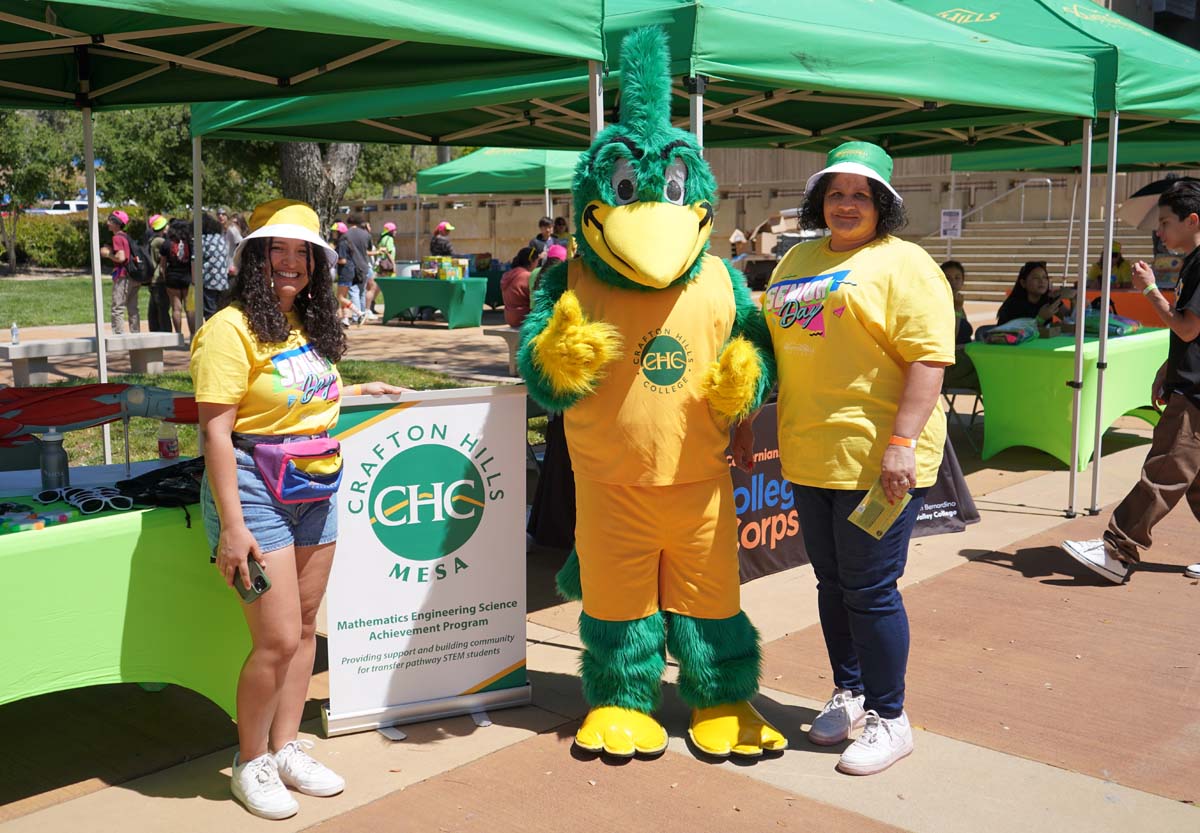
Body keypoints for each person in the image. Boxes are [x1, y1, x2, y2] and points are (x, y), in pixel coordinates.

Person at [734, 141, 954, 775]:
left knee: (871, 589)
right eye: (836, 193)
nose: (847, 204)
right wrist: (746, 421)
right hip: (810, 452)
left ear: (883, 203)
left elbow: (928, 359)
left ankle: (892, 717)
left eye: (861, 194)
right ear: (819, 201)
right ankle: (851, 692)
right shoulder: (797, 260)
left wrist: (902, 442)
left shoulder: (906, 265)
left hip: (879, 460)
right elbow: (770, 348)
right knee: (832, 582)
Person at [190, 198, 405, 820]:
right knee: (277, 639)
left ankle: (285, 746)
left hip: (315, 484)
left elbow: (305, 394)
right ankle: (249, 759)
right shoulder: (228, 330)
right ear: (255, 258)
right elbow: (216, 435)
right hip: (254, 489)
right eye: (276, 250)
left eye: (301, 253)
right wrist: (232, 527)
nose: (290, 264)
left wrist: (361, 389)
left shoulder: (309, 323)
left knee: (309, 627)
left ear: (316, 264)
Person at [1062, 180, 1200, 583]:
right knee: (1192, 482)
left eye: (1165, 222)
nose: (1160, 231)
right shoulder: (1193, 260)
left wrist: (1151, 290)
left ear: (1193, 220)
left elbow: (1188, 328)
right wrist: (1167, 368)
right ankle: (1117, 551)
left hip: (1194, 393)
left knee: (1164, 472)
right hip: (1189, 381)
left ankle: (1117, 551)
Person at [98, 210, 139, 334]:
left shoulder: (117, 237)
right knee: (133, 308)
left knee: (117, 307)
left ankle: (118, 335)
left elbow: (121, 257)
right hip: (133, 276)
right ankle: (135, 334)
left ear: (117, 223)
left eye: (110, 220)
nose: (107, 223)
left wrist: (108, 254)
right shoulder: (126, 236)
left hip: (123, 276)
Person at [940, 260, 978, 390]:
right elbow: (950, 341)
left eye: (957, 278)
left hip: (963, 357)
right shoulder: (937, 304)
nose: (953, 282)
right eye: (948, 278)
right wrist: (956, 310)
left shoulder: (957, 302)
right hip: (950, 365)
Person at [996, 261, 1070, 326]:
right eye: (1036, 278)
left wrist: (1073, 300)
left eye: (1045, 277)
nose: (1042, 281)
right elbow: (1014, 334)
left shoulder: (1048, 300)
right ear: (1023, 283)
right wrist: (1040, 319)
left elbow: (1070, 318)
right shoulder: (1013, 306)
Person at [162, 218, 194, 339]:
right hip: (187, 277)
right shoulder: (190, 243)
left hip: (172, 277)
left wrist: (165, 277)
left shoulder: (166, 243)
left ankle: (178, 335)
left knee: (176, 308)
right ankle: (192, 334)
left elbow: (162, 265)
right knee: (189, 308)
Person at [144, 214, 172, 333]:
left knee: (154, 308)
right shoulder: (160, 241)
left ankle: (154, 331)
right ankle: (165, 332)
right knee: (163, 308)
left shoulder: (151, 240)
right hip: (159, 278)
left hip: (152, 279)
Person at [202, 212, 230, 321]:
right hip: (222, 280)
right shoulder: (220, 238)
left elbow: (196, 259)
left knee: (210, 311)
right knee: (220, 309)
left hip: (208, 280)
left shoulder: (203, 240)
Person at [500, 245, 537, 327]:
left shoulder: (507, 274)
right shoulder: (527, 276)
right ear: (532, 261)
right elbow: (535, 299)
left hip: (509, 317)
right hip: (523, 318)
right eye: (537, 261)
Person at [330, 222, 360, 325]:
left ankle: (359, 313)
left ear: (339, 232)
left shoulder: (342, 243)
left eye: (335, 232)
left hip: (345, 272)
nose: (333, 234)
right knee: (343, 297)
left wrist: (330, 259)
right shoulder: (346, 242)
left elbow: (343, 260)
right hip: (348, 271)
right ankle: (345, 319)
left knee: (340, 298)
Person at [345, 214, 373, 321]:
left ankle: (357, 316)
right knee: (362, 291)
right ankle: (362, 315)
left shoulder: (346, 235)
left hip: (352, 265)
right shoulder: (366, 235)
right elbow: (369, 248)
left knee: (353, 291)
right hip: (364, 265)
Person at [219, 208, 244, 278]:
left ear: (228, 216)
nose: (220, 216)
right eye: (219, 214)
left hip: (232, 269)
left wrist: (236, 265)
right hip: (224, 268)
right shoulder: (222, 229)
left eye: (223, 214)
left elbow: (241, 245)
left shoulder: (232, 229)